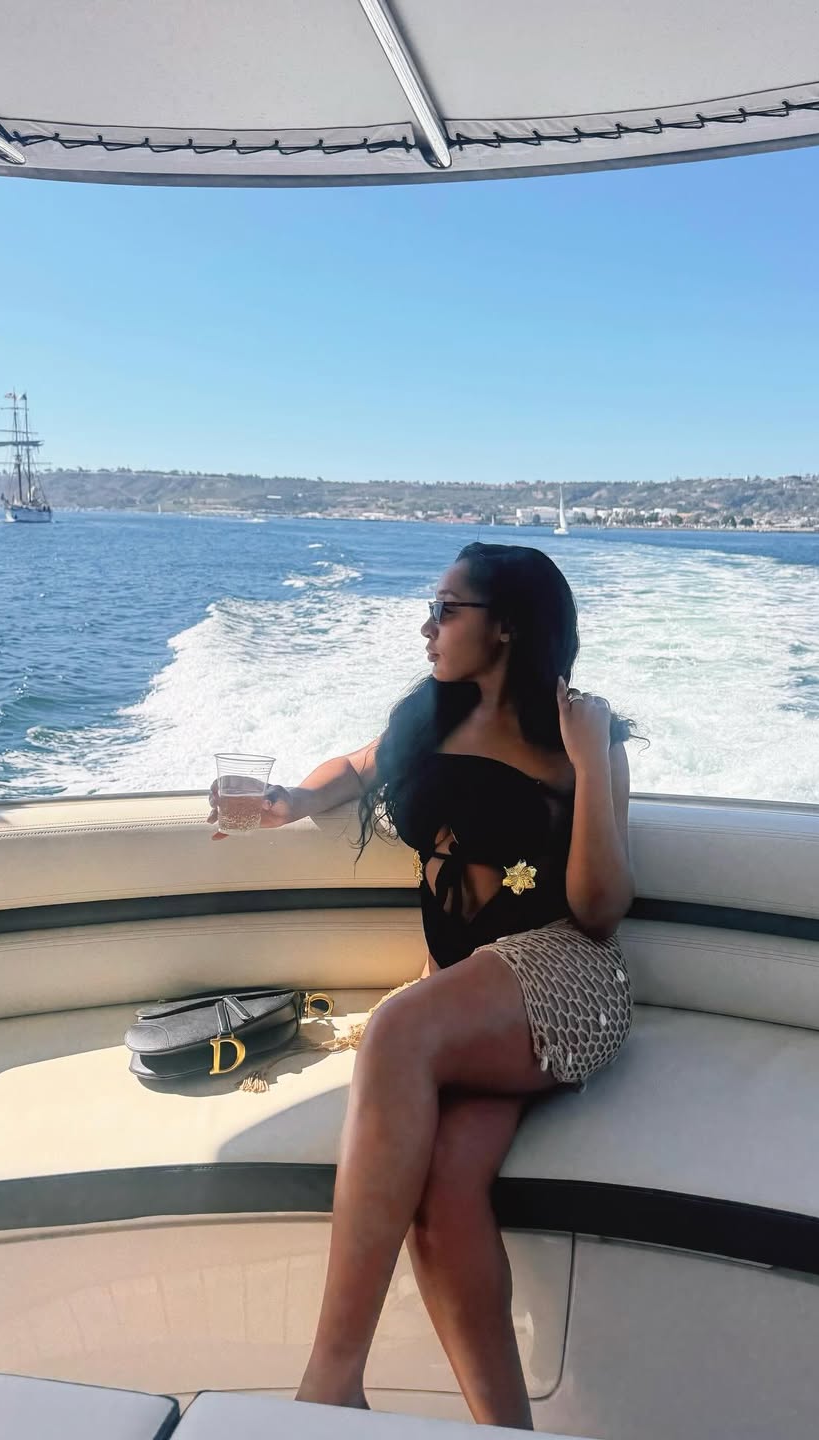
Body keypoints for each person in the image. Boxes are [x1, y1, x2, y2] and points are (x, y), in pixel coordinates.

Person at [207, 542, 638, 1428]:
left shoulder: (578, 735)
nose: (427, 627)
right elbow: (356, 766)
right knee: (441, 1198)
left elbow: (599, 912)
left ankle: (331, 1382)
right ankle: (505, 1427)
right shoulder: (429, 716)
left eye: (446, 610)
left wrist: (594, 762)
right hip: (466, 1002)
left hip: (565, 978)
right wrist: (290, 800)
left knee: (399, 1029)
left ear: (506, 626)